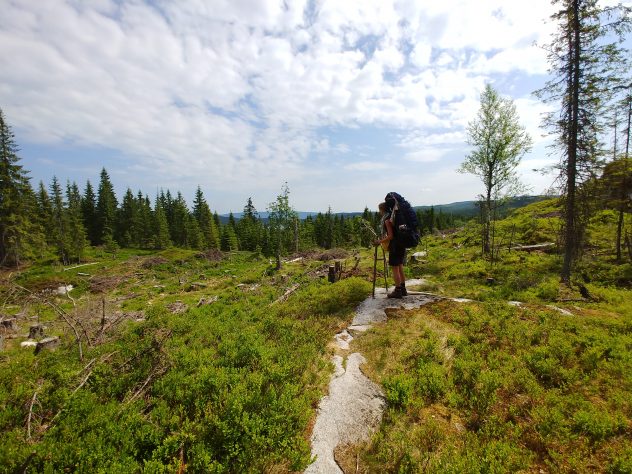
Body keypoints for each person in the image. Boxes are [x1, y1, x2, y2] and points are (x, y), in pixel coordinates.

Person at [375, 201, 407, 298]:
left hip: (394, 246)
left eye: (379, 210)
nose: (379, 212)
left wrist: (379, 241)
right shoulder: (394, 217)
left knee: (395, 268)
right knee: (400, 266)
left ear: (382, 209)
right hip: (401, 244)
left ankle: (397, 291)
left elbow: (390, 236)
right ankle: (403, 289)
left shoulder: (387, 220)